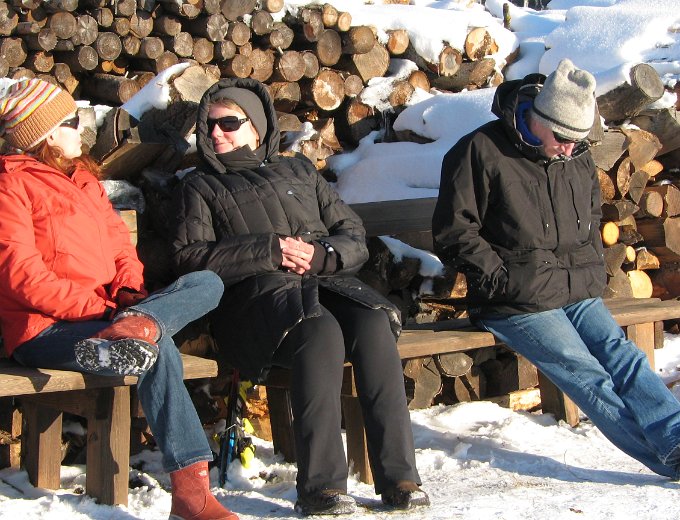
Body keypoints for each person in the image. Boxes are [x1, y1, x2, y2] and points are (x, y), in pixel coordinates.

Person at [170, 77, 429, 516]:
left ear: (256, 126)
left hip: (324, 283)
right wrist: (268, 250)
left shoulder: (299, 171)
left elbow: (352, 234)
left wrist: (321, 255)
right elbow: (189, 257)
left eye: (228, 123)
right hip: (254, 301)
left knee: (373, 324)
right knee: (319, 333)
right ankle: (321, 488)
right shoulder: (200, 187)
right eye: (208, 125)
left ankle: (400, 478)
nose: (215, 133)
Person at [0, 78, 238, 520]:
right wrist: (104, 310)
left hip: (108, 318)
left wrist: (129, 294)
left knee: (208, 282)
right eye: (73, 121)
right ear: (47, 135)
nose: (83, 128)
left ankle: (140, 323)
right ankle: (191, 496)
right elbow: (22, 278)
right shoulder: (10, 187)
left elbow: (120, 250)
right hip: (44, 329)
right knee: (155, 345)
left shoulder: (85, 183)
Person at [432, 58, 680, 480]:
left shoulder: (576, 154)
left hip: (574, 288)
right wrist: (503, 280)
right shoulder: (481, 150)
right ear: (539, 118)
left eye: (577, 141)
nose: (568, 149)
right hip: (518, 300)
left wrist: (590, 269)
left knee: (625, 358)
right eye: (562, 138)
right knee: (587, 375)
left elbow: (590, 219)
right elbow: (454, 232)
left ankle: (675, 439)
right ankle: (668, 462)